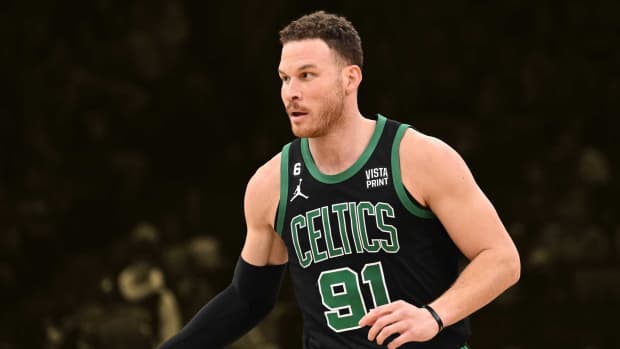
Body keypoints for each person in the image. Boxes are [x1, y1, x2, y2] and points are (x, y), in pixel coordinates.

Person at [159, 10, 520, 349]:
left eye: (306, 75)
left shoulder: (418, 156)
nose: (291, 92)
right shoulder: (271, 183)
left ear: (350, 78)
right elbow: (247, 299)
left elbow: (501, 258)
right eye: (284, 78)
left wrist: (434, 315)